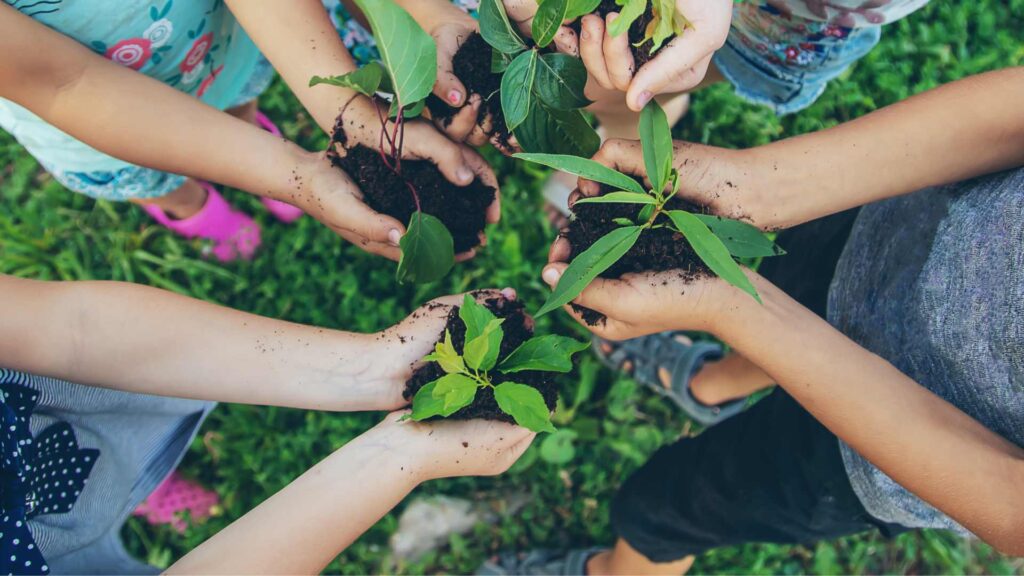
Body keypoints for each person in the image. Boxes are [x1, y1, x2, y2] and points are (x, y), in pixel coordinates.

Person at [484, 67, 1024, 574]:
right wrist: (757, 185)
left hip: (890, 450)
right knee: (792, 286)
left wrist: (724, 303)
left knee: (669, 508)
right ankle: (708, 383)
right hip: (891, 233)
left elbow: (1011, 508)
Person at [0, 275, 528, 574]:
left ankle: (124, 485)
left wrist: (376, 366)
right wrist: (401, 455)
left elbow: (73, 331)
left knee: (102, 468)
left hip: (40, 437)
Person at [0, 0, 498, 262]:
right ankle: (188, 206)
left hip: (219, 51)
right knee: (159, 178)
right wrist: (295, 178)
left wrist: (352, 117)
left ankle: (249, 143)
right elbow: (68, 84)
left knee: (237, 104)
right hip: (98, 122)